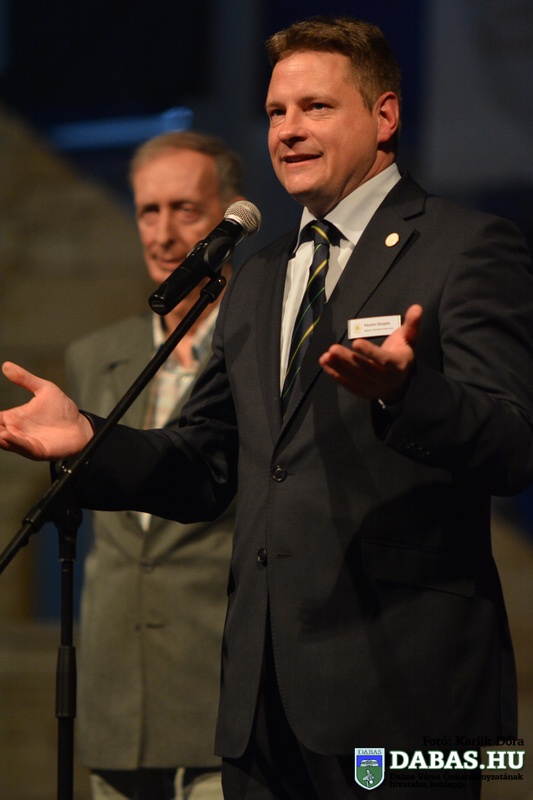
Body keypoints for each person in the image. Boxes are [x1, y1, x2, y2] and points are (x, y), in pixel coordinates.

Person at [1, 15, 533, 800]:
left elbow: (512, 444)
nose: (287, 129)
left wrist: (408, 394)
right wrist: (89, 438)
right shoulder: (258, 277)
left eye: (315, 107)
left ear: (384, 116)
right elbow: (205, 461)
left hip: (400, 692)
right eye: (277, 111)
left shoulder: (465, 247)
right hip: (260, 700)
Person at [68, 130, 244, 800]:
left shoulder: (261, 346)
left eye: (185, 210)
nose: (165, 234)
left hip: (220, 692)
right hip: (116, 701)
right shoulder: (94, 355)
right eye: (149, 211)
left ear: (228, 219)